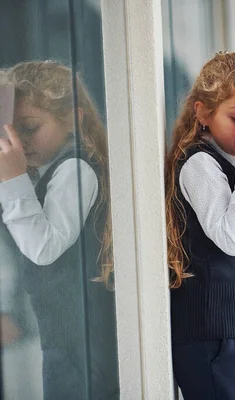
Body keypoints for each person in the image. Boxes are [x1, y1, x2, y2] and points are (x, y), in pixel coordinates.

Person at [164, 51, 235, 399]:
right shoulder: (199, 164)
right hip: (208, 335)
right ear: (202, 113)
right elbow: (233, 241)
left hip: (232, 330)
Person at [0, 61, 119, 399]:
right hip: (67, 340)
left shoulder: (75, 168)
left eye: (30, 128)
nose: (20, 142)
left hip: (80, 344)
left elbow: (43, 247)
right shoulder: (56, 170)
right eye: (12, 132)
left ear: (72, 119)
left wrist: (13, 182)